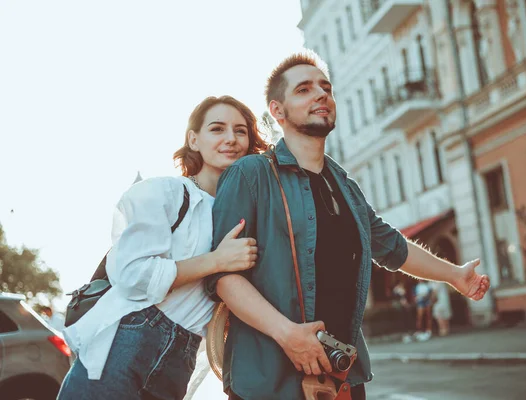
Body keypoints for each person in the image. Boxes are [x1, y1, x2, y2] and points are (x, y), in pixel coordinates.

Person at [205, 50, 490, 400]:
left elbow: (391, 247)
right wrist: (288, 334)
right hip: (269, 383)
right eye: (304, 89)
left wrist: (454, 275)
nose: (321, 94)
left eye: (326, 87)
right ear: (277, 111)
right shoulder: (250, 175)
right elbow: (223, 277)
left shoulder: (344, 185)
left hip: (342, 378)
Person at [57, 95, 268, 400]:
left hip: (182, 354)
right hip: (131, 336)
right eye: (217, 129)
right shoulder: (168, 192)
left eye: (240, 131)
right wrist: (217, 260)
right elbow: (132, 274)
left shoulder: (244, 212)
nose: (230, 139)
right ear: (194, 139)